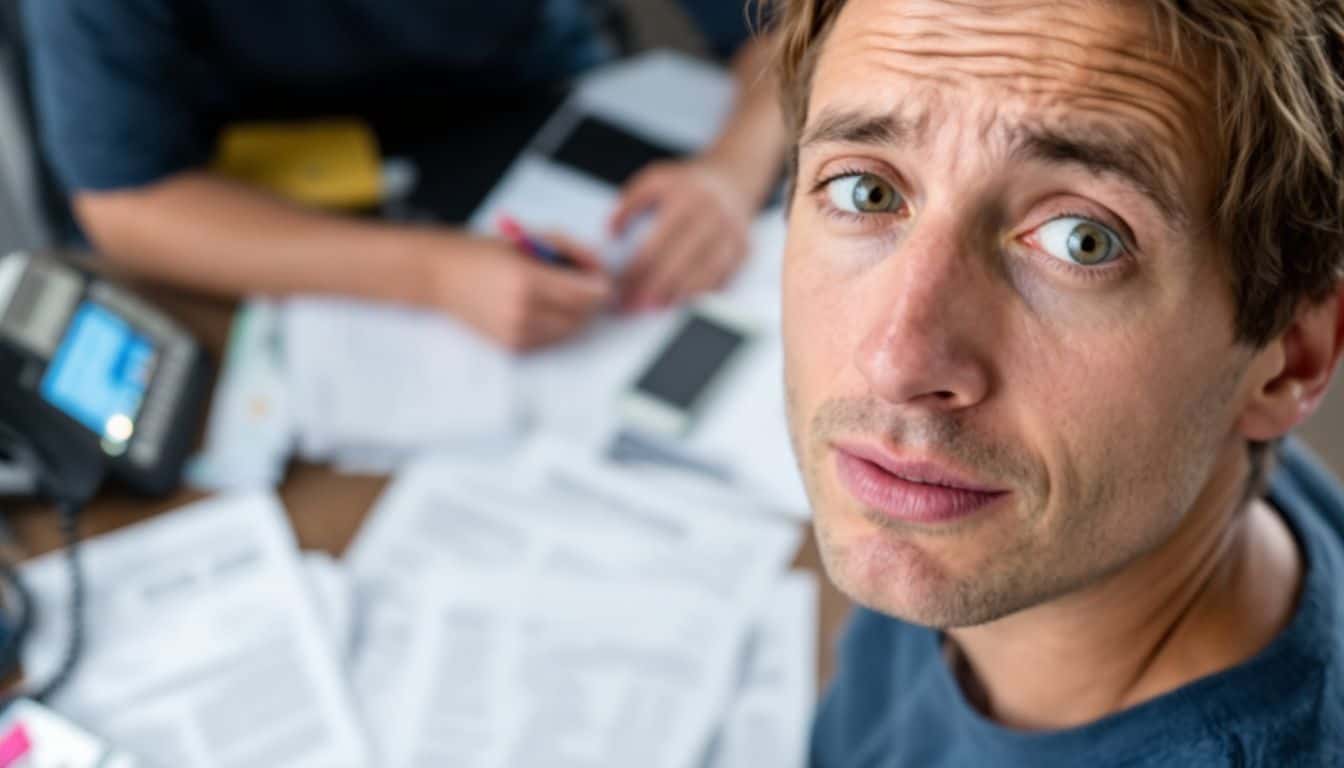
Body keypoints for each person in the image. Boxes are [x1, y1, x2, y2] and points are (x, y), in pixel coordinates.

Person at [772, 0, 1344, 764]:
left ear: (1290, 361)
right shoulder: (1037, 515)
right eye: (865, 191)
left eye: (1084, 239)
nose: (897, 362)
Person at [20, 0, 785, 351]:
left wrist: (732, 167)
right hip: (262, 199)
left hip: (529, 111)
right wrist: (433, 274)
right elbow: (126, 199)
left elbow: (809, 17)